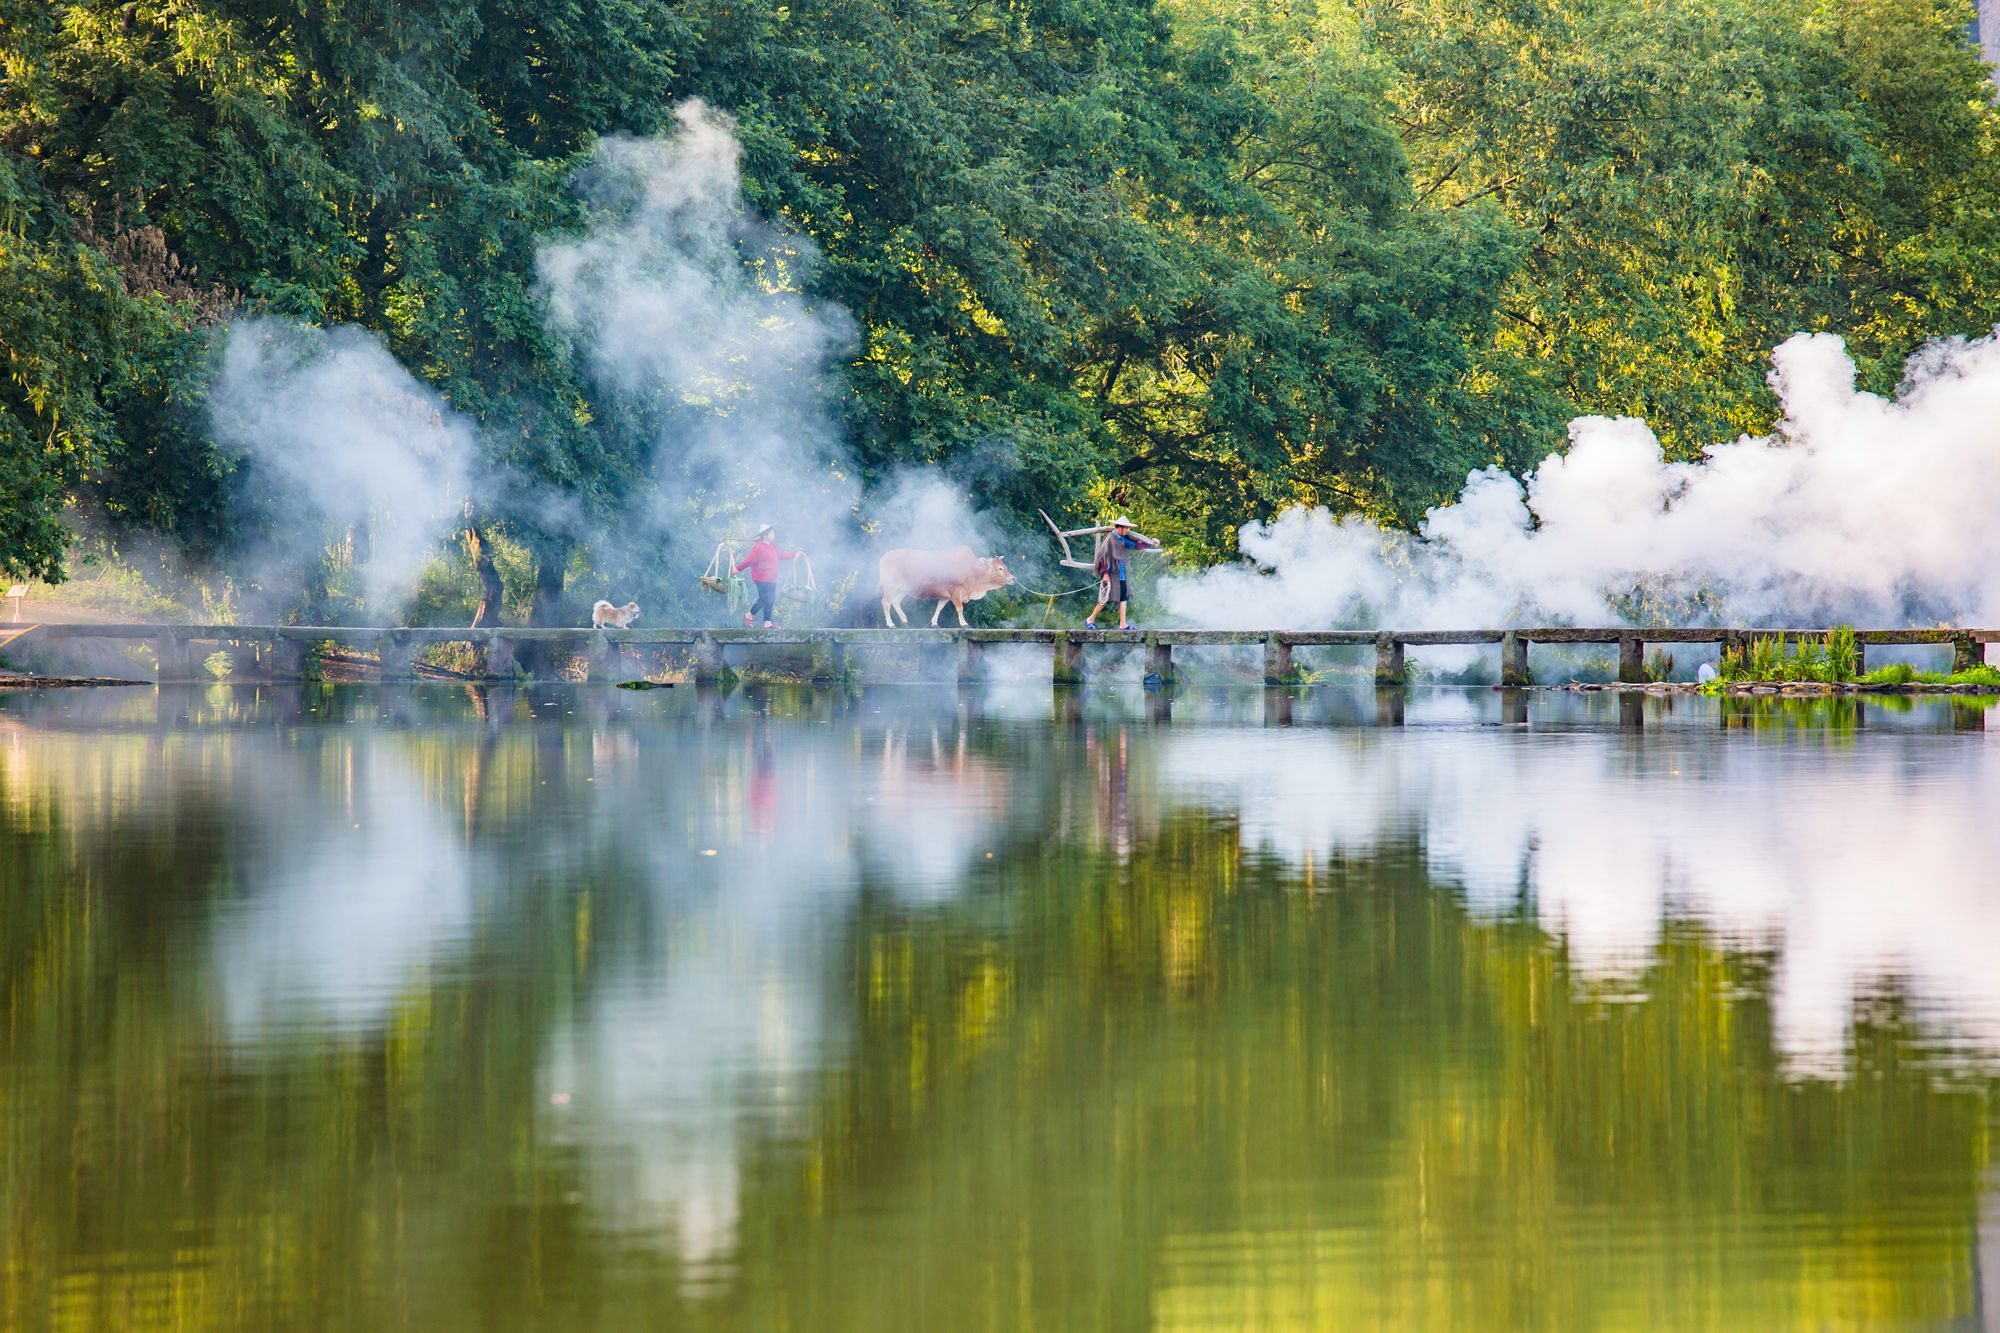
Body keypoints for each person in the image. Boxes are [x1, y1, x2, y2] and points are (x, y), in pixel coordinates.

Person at [1084, 516, 1159, 629]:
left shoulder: (1122, 538)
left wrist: (1150, 542)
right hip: (1112, 573)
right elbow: (1103, 556)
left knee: (1123, 598)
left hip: (1121, 573)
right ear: (1120, 528)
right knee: (1105, 597)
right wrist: (1105, 574)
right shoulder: (1110, 539)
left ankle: (1123, 624)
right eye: (1126, 528)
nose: (1128, 530)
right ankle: (1090, 619)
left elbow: (1135, 545)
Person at [733, 523, 801, 628]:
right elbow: (749, 560)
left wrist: (793, 554)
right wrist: (738, 568)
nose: (774, 535)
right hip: (761, 578)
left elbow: (781, 555)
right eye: (771, 533)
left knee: (770, 599)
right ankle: (750, 614)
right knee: (766, 598)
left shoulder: (771, 547)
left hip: (771, 578)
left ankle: (767, 621)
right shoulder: (758, 547)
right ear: (765, 536)